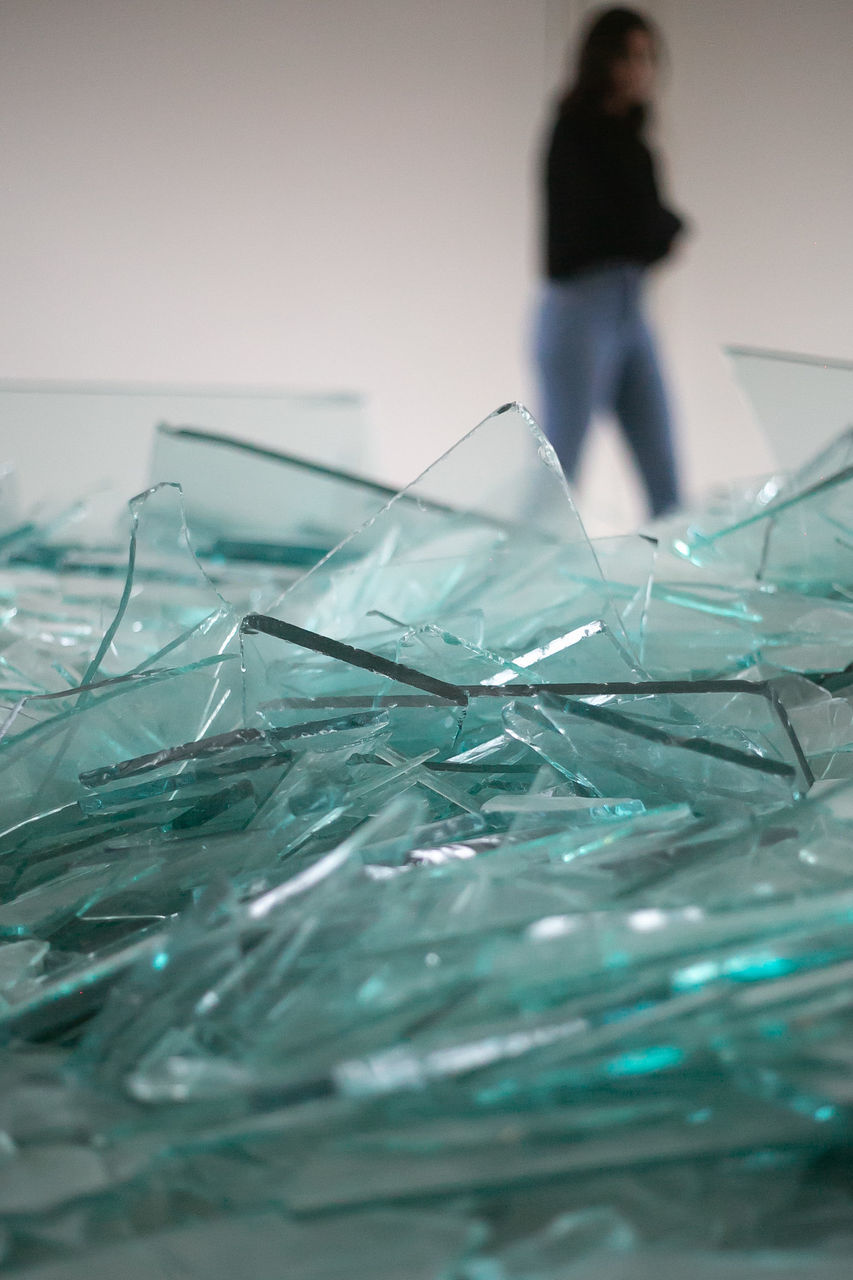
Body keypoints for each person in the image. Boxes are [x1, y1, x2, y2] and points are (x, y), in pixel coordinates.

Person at [533, 5, 686, 519]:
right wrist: (653, 229)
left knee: (666, 481)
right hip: (580, 312)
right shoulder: (575, 132)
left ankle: (672, 584)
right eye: (628, 56)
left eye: (647, 57)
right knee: (557, 474)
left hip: (629, 310)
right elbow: (602, 233)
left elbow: (650, 231)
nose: (638, 69)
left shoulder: (634, 141)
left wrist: (652, 230)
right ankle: (510, 582)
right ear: (602, 60)